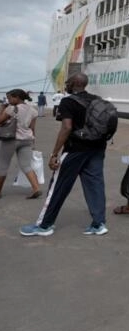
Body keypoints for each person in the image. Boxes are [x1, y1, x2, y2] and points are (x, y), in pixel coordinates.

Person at [20, 73, 108, 236]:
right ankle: (98, 224)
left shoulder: (68, 101)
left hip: (76, 150)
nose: (66, 84)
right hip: (97, 149)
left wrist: (55, 153)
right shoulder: (97, 100)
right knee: (95, 186)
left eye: (68, 82)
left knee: (59, 186)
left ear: (74, 83)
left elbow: (67, 127)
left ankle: (44, 225)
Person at [0, 89, 42, 199]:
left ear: (17, 98)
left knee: (3, 165)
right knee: (26, 165)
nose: (8, 100)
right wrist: (33, 141)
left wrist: (2, 109)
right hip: (27, 140)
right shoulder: (33, 110)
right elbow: (32, 128)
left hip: (11, 139)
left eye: (9, 98)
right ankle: (36, 188)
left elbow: (0, 121)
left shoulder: (11, 109)